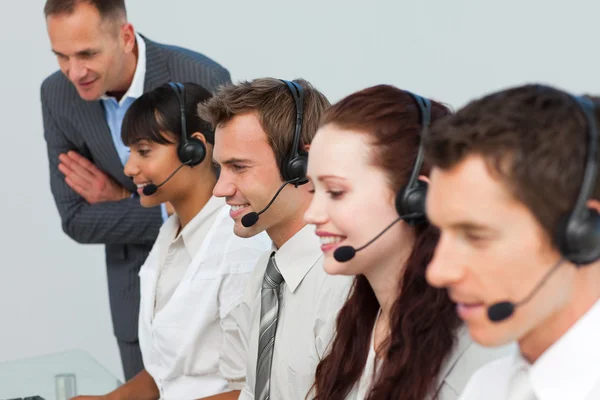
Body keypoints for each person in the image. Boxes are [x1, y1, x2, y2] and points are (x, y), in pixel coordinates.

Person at [41, 0, 230, 379]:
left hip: (216, 285)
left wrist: (127, 200)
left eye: (86, 54)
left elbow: (228, 192)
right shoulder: (57, 95)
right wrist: (158, 203)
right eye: (61, 56)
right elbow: (77, 219)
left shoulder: (200, 76)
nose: (74, 72)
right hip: (135, 292)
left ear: (125, 37)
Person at [303, 85, 510, 400]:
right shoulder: (355, 322)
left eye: (335, 192)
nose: (311, 214)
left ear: (417, 199)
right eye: (312, 190)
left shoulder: (480, 352)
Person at [73, 82, 271, 400]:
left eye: (144, 151)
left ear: (193, 150)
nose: (129, 168)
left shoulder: (238, 245)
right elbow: (165, 371)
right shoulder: (173, 231)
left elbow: (253, 390)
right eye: (130, 152)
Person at [423, 84, 600, 399]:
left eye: (476, 236)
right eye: (440, 233)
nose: (437, 272)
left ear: (584, 233)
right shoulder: (486, 387)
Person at [197, 78, 353, 400]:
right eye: (220, 168)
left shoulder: (344, 284)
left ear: (302, 166)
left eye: (238, 167)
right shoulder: (264, 278)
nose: (219, 189)